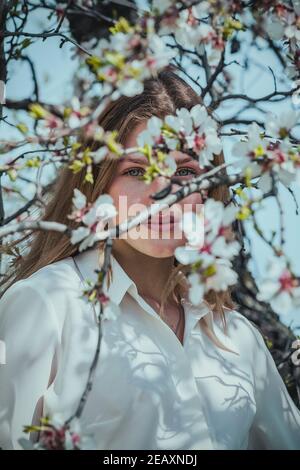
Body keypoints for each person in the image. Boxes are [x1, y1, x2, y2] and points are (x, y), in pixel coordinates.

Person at [0, 66, 300, 450]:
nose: (164, 193)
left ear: (209, 190)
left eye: (186, 171)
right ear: (96, 183)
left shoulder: (237, 336)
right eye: (138, 170)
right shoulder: (47, 304)